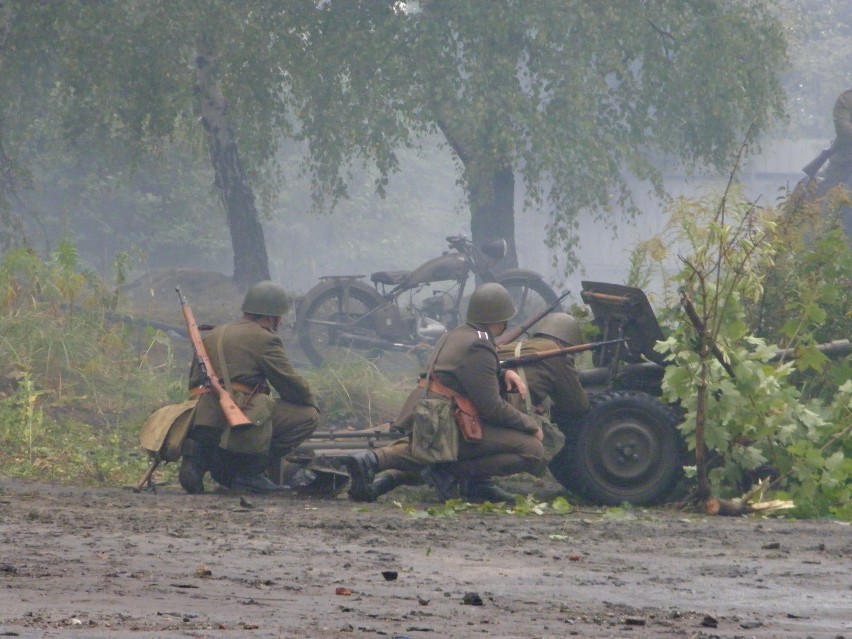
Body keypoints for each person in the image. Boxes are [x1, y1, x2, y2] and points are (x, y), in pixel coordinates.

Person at [344, 283, 546, 503]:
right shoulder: (479, 344)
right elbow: (492, 407)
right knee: (532, 449)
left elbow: (465, 372)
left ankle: (375, 463)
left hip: (430, 413)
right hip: (446, 421)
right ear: (499, 318)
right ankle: (451, 473)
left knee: (425, 452)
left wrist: (503, 372)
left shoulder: (457, 334)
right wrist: (531, 425)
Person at [365, 312, 590, 501]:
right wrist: (534, 422)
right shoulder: (557, 356)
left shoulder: (506, 346)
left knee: (446, 447)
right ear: (567, 342)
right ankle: (452, 474)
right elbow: (577, 405)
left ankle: (402, 476)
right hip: (492, 414)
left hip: (463, 411)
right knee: (537, 449)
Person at [179, 280, 320, 494]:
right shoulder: (265, 339)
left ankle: (200, 458)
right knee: (307, 416)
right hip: (238, 422)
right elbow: (289, 385)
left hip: (203, 419)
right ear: (274, 316)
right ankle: (247, 471)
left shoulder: (214, 334)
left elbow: (194, 381)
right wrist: (312, 400)